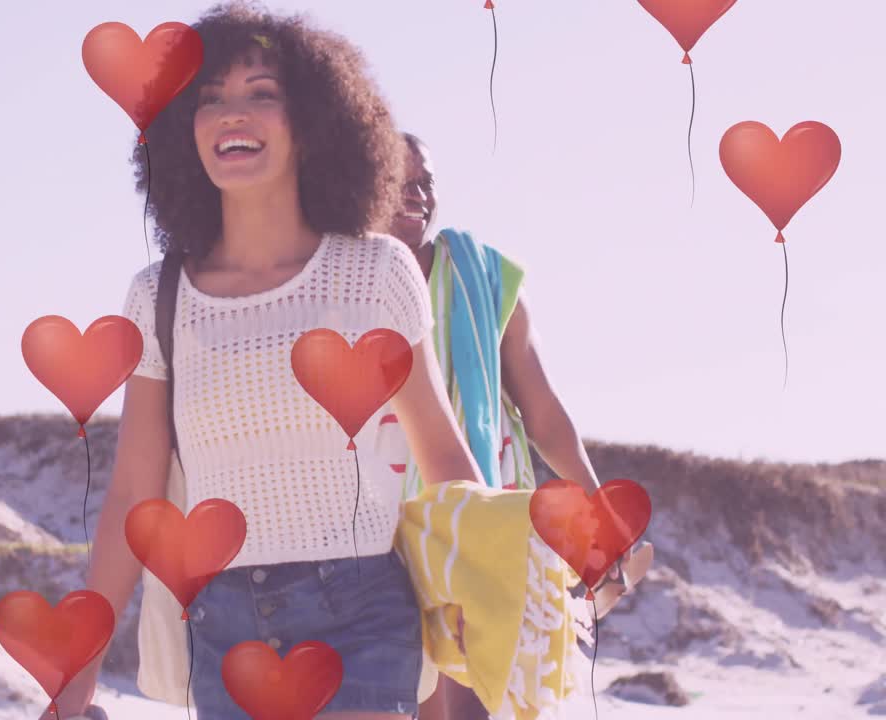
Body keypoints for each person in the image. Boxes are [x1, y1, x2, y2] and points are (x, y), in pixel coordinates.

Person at [42, 4, 485, 719]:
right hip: (224, 629)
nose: (231, 114)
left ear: (312, 124)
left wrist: (480, 604)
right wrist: (78, 674)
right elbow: (130, 496)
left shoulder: (377, 273)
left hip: (363, 611)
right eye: (210, 98)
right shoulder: (158, 297)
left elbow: (441, 451)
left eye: (261, 94)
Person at [382, 132, 650, 719]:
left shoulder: (486, 280)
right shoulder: (338, 281)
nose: (417, 196)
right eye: (398, 182)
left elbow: (545, 415)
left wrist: (598, 512)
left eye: (425, 183)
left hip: (483, 518)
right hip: (379, 523)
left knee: (478, 695)